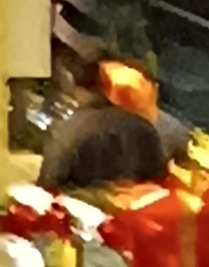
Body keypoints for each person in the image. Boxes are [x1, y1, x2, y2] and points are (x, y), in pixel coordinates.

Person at [36, 48, 169, 193]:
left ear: (73, 85)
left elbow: (48, 187)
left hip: (82, 206)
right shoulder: (144, 128)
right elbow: (160, 183)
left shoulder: (67, 131)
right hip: (135, 206)